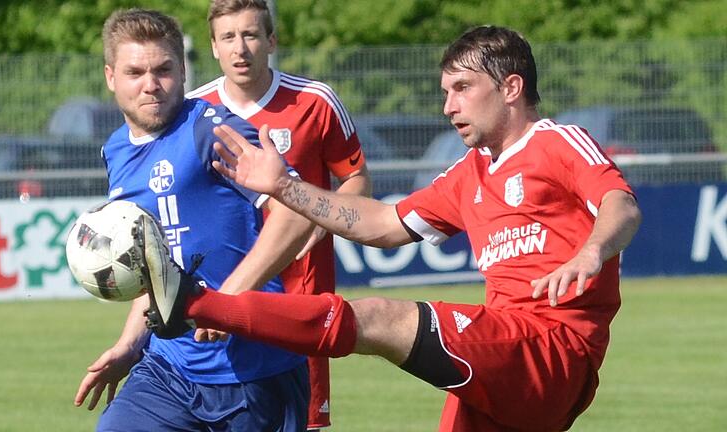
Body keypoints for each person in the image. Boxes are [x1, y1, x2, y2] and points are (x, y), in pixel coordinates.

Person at [139, 25, 642, 431]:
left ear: (511, 87)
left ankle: (194, 302)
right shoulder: (469, 173)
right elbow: (382, 223)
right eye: (445, 92)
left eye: (463, 89)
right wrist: (282, 186)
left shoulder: (557, 141)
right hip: (503, 362)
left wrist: (591, 251)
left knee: (379, 317)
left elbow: (620, 204)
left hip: (550, 349)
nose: (448, 106)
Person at [73, 8, 317, 431]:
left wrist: (229, 302)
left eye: (164, 69)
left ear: (183, 71)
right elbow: (149, 259)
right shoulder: (115, 151)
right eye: (135, 72)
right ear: (111, 77)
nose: (151, 85)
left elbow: (299, 214)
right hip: (168, 371)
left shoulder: (211, 128)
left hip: (256, 371)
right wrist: (130, 345)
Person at [185, 1, 372, 429]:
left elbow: (357, 179)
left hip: (299, 291)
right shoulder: (194, 112)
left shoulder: (315, 101)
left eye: (250, 35)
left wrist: (321, 222)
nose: (240, 48)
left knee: (300, 420)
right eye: (228, 37)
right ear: (213, 47)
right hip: (222, 288)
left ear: (271, 40)